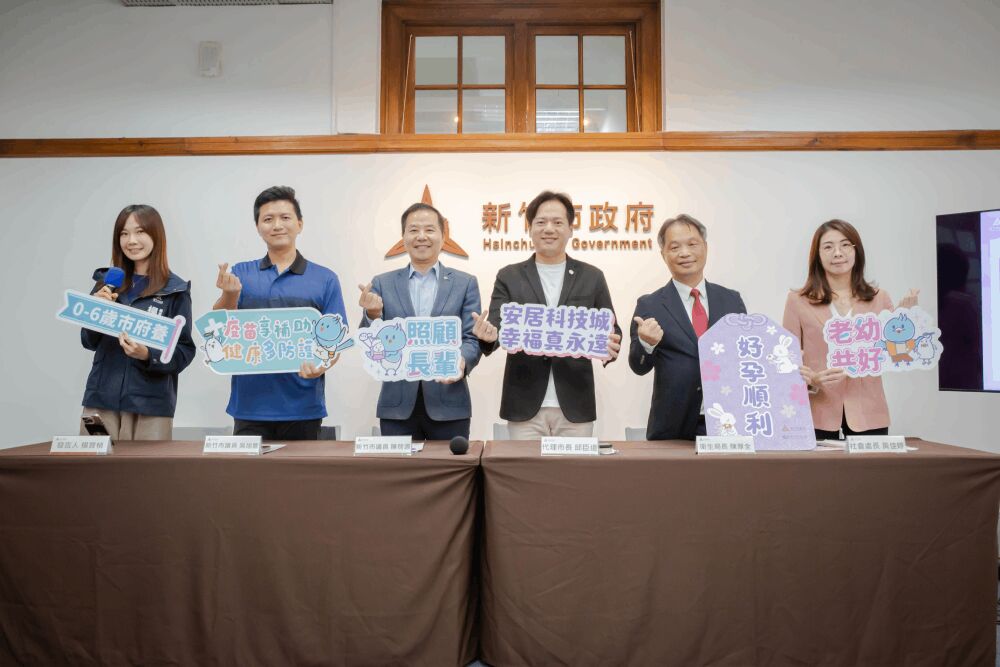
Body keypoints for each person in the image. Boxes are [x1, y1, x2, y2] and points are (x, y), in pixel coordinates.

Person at [472, 190, 621, 438]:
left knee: (576, 466)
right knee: (523, 465)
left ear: (571, 229)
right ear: (530, 229)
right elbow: (497, 327)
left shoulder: (592, 276)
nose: (549, 229)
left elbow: (611, 329)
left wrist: (611, 343)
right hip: (523, 403)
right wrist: (488, 336)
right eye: (541, 222)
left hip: (575, 404)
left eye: (558, 222)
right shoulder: (509, 276)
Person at [214, 186, 347, 441]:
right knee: (248, 470)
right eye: (268, 219)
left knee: (300, 469)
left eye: (285, 217)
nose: (277, 225)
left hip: (303, 405)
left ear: (300, 224)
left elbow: (335, 341)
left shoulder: (325, 278)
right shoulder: (241, 273)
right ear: (258, 227)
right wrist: (229, 294)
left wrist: (321, 366)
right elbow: (218, 329)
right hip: (250, 405)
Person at [782, 219, 918, 440]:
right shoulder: (797, 301)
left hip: (869, 413)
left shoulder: (879, 298)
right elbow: (786, 360)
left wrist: (906, 320)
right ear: (817, 255)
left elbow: (895, 354)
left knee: (871, 466)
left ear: (857, 251)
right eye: (828, 247)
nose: (838, 253)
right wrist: (812, 381)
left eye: (845, 245)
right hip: (816, 412)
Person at [358, 202, 482, 440]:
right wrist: (372, 315)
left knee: (449, 465)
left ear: (443, 237)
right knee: (398, 466)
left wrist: (462, 362)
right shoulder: (382, 283)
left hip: (449, 403)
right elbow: (371, 344)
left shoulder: (465, 283)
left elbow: (471, 338)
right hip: (397, 406)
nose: (421, 236)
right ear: (403, 238)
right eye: (413, 230)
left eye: (429, 230)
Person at [81, 204, 195, 440]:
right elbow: (88, 341)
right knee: (92, 462)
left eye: (140, 232)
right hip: (100, 400)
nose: (131, 240)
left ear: (156, 236)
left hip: (150, 406)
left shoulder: (175, 290)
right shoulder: (106, 283)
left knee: (144, 465)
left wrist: (147, 355)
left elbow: (184, 351)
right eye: (124, 233)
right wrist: (96, 311)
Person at [629, 214, 746, 440]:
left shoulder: (732, 300)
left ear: (705, 248)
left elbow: (744, 356)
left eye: (692, 244)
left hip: (727, 422)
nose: (684, 253)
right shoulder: (650, 305)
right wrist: (646, 343)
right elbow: (638, 366)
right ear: (663, 254)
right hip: (672, 425)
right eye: (675, 247)